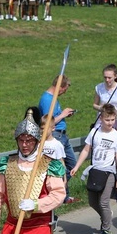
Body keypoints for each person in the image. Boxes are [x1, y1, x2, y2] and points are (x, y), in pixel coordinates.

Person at [70, 104, 117, 234]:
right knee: (93, 202)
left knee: (104, 202)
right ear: (101, 118)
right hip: (95, 171)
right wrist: (77, 166)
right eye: (107, 120)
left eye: (113, 120)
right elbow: (86, 150)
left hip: (109, 173)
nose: (110, 123)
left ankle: (106, 231)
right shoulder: (94, 133)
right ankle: (106, 216)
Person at [38, 75, 78, 203]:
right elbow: (48, 121)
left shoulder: (54, 99)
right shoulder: (47, 99)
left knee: (72, 165)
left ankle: (61, 192)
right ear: (59, 87)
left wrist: (64, 115)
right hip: (55, 135)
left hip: (62, 135)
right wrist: (64, 114)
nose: (65, 92)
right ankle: (57, 192)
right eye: (64, 89)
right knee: (58, 166)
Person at [92, 64, 117, 128]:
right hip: (103, 121)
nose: (107, 80)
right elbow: (94, 104)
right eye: (105, 77)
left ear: (115, 76)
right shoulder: (99, 87)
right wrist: (100, 108)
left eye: (109, 78)